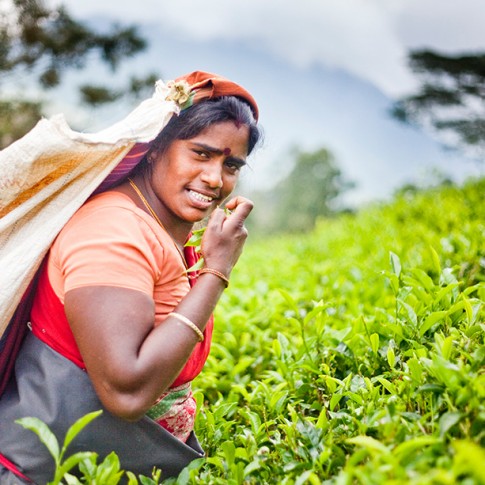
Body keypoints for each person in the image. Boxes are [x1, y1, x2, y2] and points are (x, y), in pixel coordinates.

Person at [0, 71, 262, 483]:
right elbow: (127, 391)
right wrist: (216, 271)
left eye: (231, 164)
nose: (216, 179)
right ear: (156, 149)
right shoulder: (113, 230)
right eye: (200, 154)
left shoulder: (157, 226)